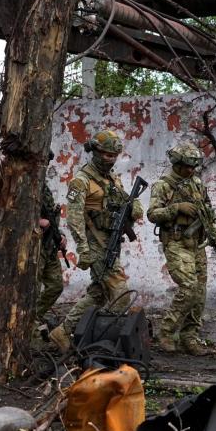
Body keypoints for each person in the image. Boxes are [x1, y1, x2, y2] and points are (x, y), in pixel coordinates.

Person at [48, 130, 143, 353]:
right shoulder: (81, 181)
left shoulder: (111, 178)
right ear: (95, 151)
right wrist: (83, 249)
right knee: (120, 294)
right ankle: (109, 340)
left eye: (114, 155)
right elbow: (74, 219)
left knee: (98, 294)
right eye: (106, 154)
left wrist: (133, 207)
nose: (110, 159)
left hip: (111, 240)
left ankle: (63, 331)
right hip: (96, 245)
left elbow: (126, 203)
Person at [146, 141, 216, 356]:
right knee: (188, 288)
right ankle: (167, 331)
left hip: (197, 244)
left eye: (193, 167)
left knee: (199, 293)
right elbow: (152, 214)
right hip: (176, 243)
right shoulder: (163, 185)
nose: (190, 170)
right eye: (187, 166)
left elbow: (209, 213)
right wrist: (176, 208)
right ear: (177, 164)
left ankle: (189, 337)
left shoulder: (197, 183)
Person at [35, 152, 66, 329]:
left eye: (46, 163)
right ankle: (28, 323)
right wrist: (36, 221)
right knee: (31, 289)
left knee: (55, 286)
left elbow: (50, 218)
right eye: (42, 161)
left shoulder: (42, 186)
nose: (44, 166)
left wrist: (61, 235)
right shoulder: (22, 184)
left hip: (49, 246)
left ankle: (34, 315)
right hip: (33, 248)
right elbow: (9, 215)